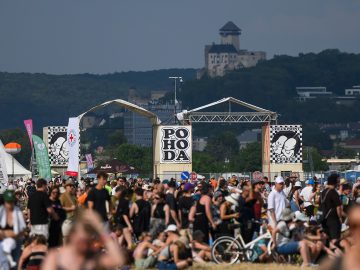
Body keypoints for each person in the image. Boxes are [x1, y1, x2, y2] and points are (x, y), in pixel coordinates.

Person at [42, 209, 124, 270]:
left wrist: (100, 229)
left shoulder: (91, 257)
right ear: (71, 236)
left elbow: (118, 260)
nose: (84, 245)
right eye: (80, 240)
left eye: (87, 241)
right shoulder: (55, 256)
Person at [0, 190, 26, 269]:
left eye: (11, 201)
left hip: (16, 241)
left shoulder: (17, 211)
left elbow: (22, 230)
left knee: (14, 263)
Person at [320, 174, 342, 243]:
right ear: (334, 182)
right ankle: (334, 251)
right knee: (334, 238)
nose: (338, 183)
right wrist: (340, 218)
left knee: (327, 236)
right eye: (338, 181)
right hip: (333, 218)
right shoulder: (333, 192)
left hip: (324, 218)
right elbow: (338, 207)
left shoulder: (323, 192)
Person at [114, 185, 133, 249]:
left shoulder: (120, 201)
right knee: (130, 243)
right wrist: (129, 225)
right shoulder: (126, 202)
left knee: (119, 243)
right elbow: (124, 214)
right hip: (124, 224)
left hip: (118, 222)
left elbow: (117, 212)